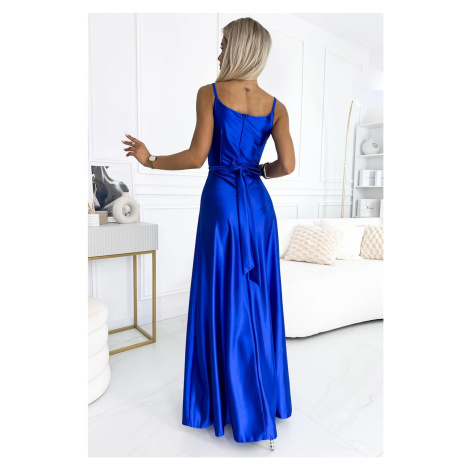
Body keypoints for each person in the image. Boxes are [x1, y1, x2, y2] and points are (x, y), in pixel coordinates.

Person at [122, 17, 295, 450]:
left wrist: (150, 159)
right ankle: (263, 400)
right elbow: (288, 165)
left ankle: (224, 402)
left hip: (221, 204)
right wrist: (259, 171)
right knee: (257, 300)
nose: (219, 53)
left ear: (238, 48)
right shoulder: (276, 107)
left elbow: (197, 156)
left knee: (221, 297)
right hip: (258, 208)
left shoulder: (211, 93)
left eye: (223, 45)